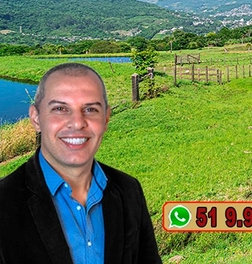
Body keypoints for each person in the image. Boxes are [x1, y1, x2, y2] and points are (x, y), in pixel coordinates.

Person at [0, 63, 161, 264]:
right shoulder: (4, 201)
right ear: (36, 118)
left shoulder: (129, 190)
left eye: (90, 109)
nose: (77, 123)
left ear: (106, 118)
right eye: (60, 109)